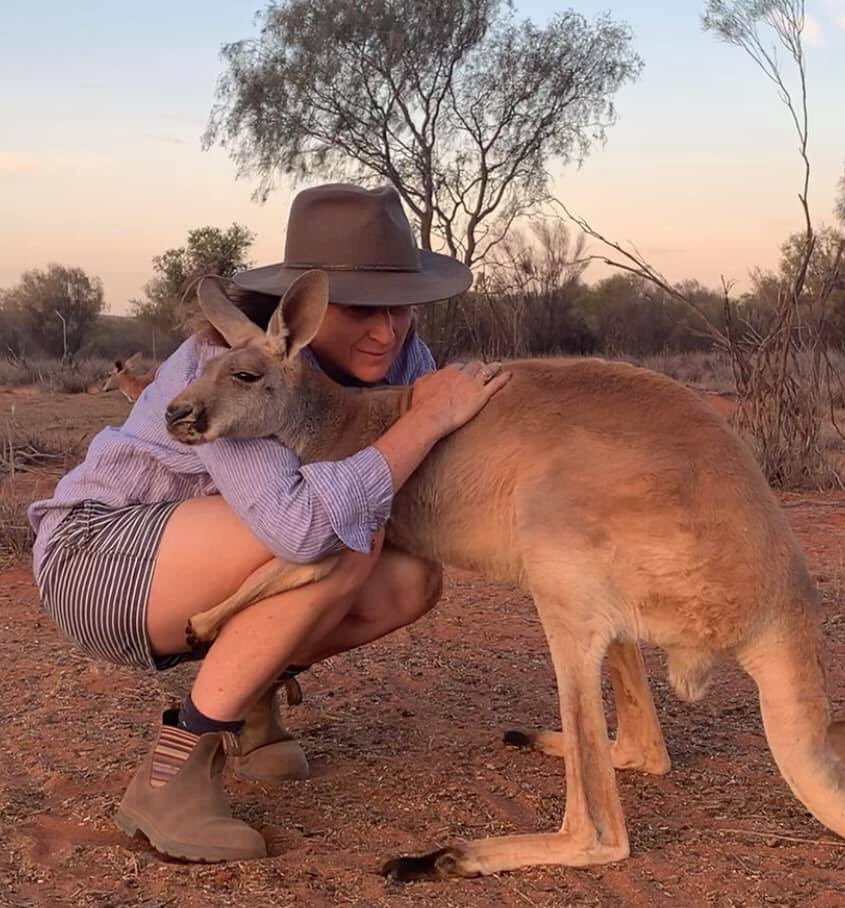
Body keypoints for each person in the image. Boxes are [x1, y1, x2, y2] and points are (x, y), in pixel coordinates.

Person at [28, 183, 508, 863]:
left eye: (401, 307)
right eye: (359, 310)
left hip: (212, 553)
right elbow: (299, 528)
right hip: (101, 554)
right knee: (345, 536)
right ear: (306, 311)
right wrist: (427, 419)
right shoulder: (235, 372)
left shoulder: (404, 360)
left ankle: (247, 698)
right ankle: (174, 772)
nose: (387, 331)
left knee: (409, 580)